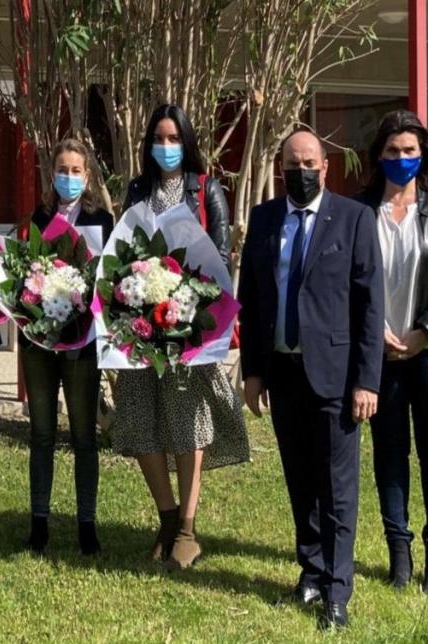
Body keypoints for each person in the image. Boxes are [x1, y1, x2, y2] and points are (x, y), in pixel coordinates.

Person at [239, 129, 383, 630]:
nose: (299, 171)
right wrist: (253, 371)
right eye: (290, 164)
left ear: (324, 166)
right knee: (300, 479)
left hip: (338, 377)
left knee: (338, 487)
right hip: (283, 372)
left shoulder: (355, 218)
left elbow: (370, 307)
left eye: (308, 162)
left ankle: (337, 591)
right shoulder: (263, 220)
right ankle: (311, 570)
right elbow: (252, 301)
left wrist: (368, 381)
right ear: (281, 168)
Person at [114, 103, 249, 570]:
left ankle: (188, 531)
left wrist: (194, 309)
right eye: (159, 138)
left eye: (174, 139)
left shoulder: (207, 190)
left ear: (186, 143)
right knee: (140, 418)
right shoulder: (137, 189)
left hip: (190, 324)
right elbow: (124, 250)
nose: (166, 147)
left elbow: (220, 258)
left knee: (187, 422)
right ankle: (167, 519)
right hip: (140, 326)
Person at [21, 139, 114, 556]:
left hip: (83, 342)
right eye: (62, 169)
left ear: (88, 177)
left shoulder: (103, 219)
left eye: (76, 171)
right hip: (40, 340)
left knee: (83, 437)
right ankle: (39, 523)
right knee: (41, 433)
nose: (69, 177)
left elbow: (111, 280)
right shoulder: (37, 217)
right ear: (51, 173)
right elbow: (23, 273)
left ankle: (86, 525)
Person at [356, 109, 428, 592]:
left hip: (425, 351)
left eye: (410, 152)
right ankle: (398, 552)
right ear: (378, 155)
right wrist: (372, 331)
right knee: (390, 455)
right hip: (378, 354)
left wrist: (425, 330)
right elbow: (349, 284)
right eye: (392, 151)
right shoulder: (360, 213)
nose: (401, 159)